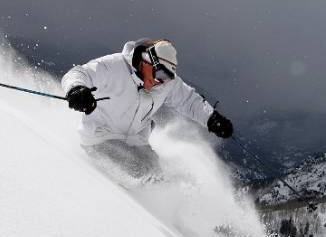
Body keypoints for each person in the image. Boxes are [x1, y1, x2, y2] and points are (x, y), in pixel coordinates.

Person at [61, 38, 233, 182]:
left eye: (167, 77)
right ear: (146, 60)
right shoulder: (114, 66)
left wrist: (212, 118)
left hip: (137, 142)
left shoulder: (165, 84)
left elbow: (189, 101)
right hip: (101, 138)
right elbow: (79, 73)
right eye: (160, 74)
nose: (160, 82)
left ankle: (172, 210)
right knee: (143, 175)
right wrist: (76, 89)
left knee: (160, 177)